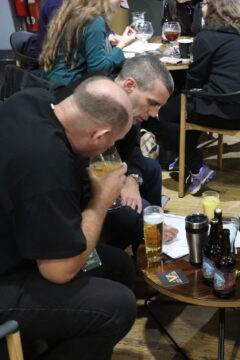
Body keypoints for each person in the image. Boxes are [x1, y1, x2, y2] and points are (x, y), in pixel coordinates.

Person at [0, 76, 137, 360]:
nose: (110, 147)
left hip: (15, 239)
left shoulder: (32, 100)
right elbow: (58, 272)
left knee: (117, 265)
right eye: (113, 141)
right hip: (6, 277)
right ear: (99, 136)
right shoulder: (47, 167)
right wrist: (101, 202)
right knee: (117, 308)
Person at [55, 55, 178, 253]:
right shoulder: (95, 100)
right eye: (152, 103)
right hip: (82, 175)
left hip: (108, 164)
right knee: (138, 209)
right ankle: (136, 237)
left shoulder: (127, 105)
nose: (154, 114)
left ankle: (146, 246)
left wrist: (132, 179)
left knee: (153, 169)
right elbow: (85, 162)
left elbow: (132, 148)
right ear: (129, 85)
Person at [156, 0, 240, 195]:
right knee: (189, 105)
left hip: (221, 112)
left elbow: (194, 81)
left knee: (167, 113)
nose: (201, 7)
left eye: (204, 3)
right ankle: (186, 157)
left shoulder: (207, 37)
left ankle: (194, 165)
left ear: (214, 9)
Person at [39, 0, 136, 85]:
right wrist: (121, 45)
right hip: (69, 88)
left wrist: (107, 42)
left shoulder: (70, 13)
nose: (123, 1)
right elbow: (97, 70)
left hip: (51, 82)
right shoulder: (95, 21)